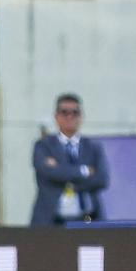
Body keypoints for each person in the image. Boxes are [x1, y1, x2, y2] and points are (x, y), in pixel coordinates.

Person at [31, 94, 110, 226]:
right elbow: (48, 172)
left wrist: (63, 175)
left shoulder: (93, 147)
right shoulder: (44, 146)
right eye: (64, 112)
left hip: (88, 219)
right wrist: (83, 171)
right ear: (56, 117)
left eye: (75, 112)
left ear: (81, 116)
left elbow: (102, 179)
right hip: (51, 222)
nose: (70, 117)